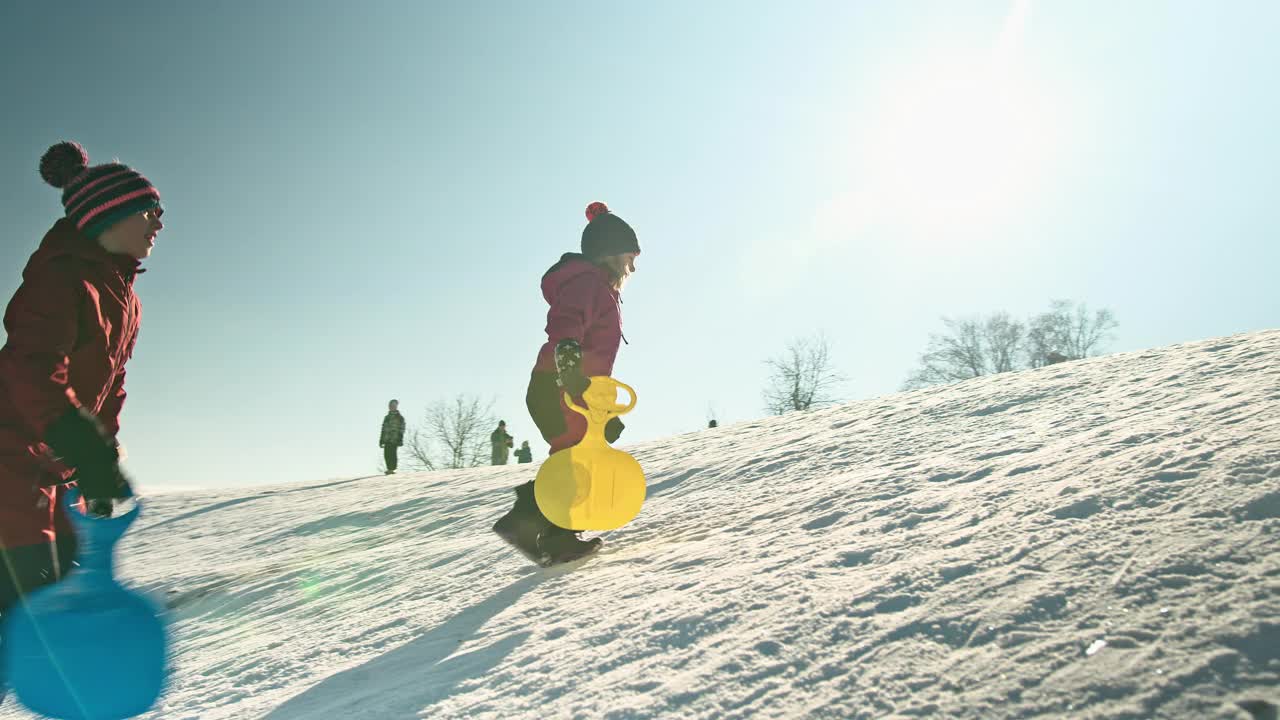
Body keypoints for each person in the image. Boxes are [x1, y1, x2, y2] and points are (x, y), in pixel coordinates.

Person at [1, 141, 158, 689]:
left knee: (51, 607)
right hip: (8, 460)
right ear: (108, 216)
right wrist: (76, 435)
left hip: (51, 470)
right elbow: (30, 366)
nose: (159, 222)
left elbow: (110, 390)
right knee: (18, 606)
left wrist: (101, 456)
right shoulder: (63, 275)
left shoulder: (125, 296)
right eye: (148, 210)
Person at [492, 201, 638, 566]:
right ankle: (537, 527)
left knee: (578, 457)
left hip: (571, 388)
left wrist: (603, 414)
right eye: (630, 257)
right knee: (576, 460)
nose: (633, 267)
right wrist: (570, 368)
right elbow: (566, 324)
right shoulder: (586, 284)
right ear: (610, 254)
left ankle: (548, 530)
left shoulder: (601, 290)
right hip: (557, 384)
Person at [379, 399, 405, 474]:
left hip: (395, 439)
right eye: (390, 405)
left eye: (393, 405)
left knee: (392, 454)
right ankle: (389, 469)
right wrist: (381, 440)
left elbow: (402, 428)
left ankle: (392, 469)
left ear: (396, 406)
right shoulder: (386, 417)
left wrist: (400, 439)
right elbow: (383, 429)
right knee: (386, 454)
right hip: (387, 439)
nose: (391, 407)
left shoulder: (399, 417)